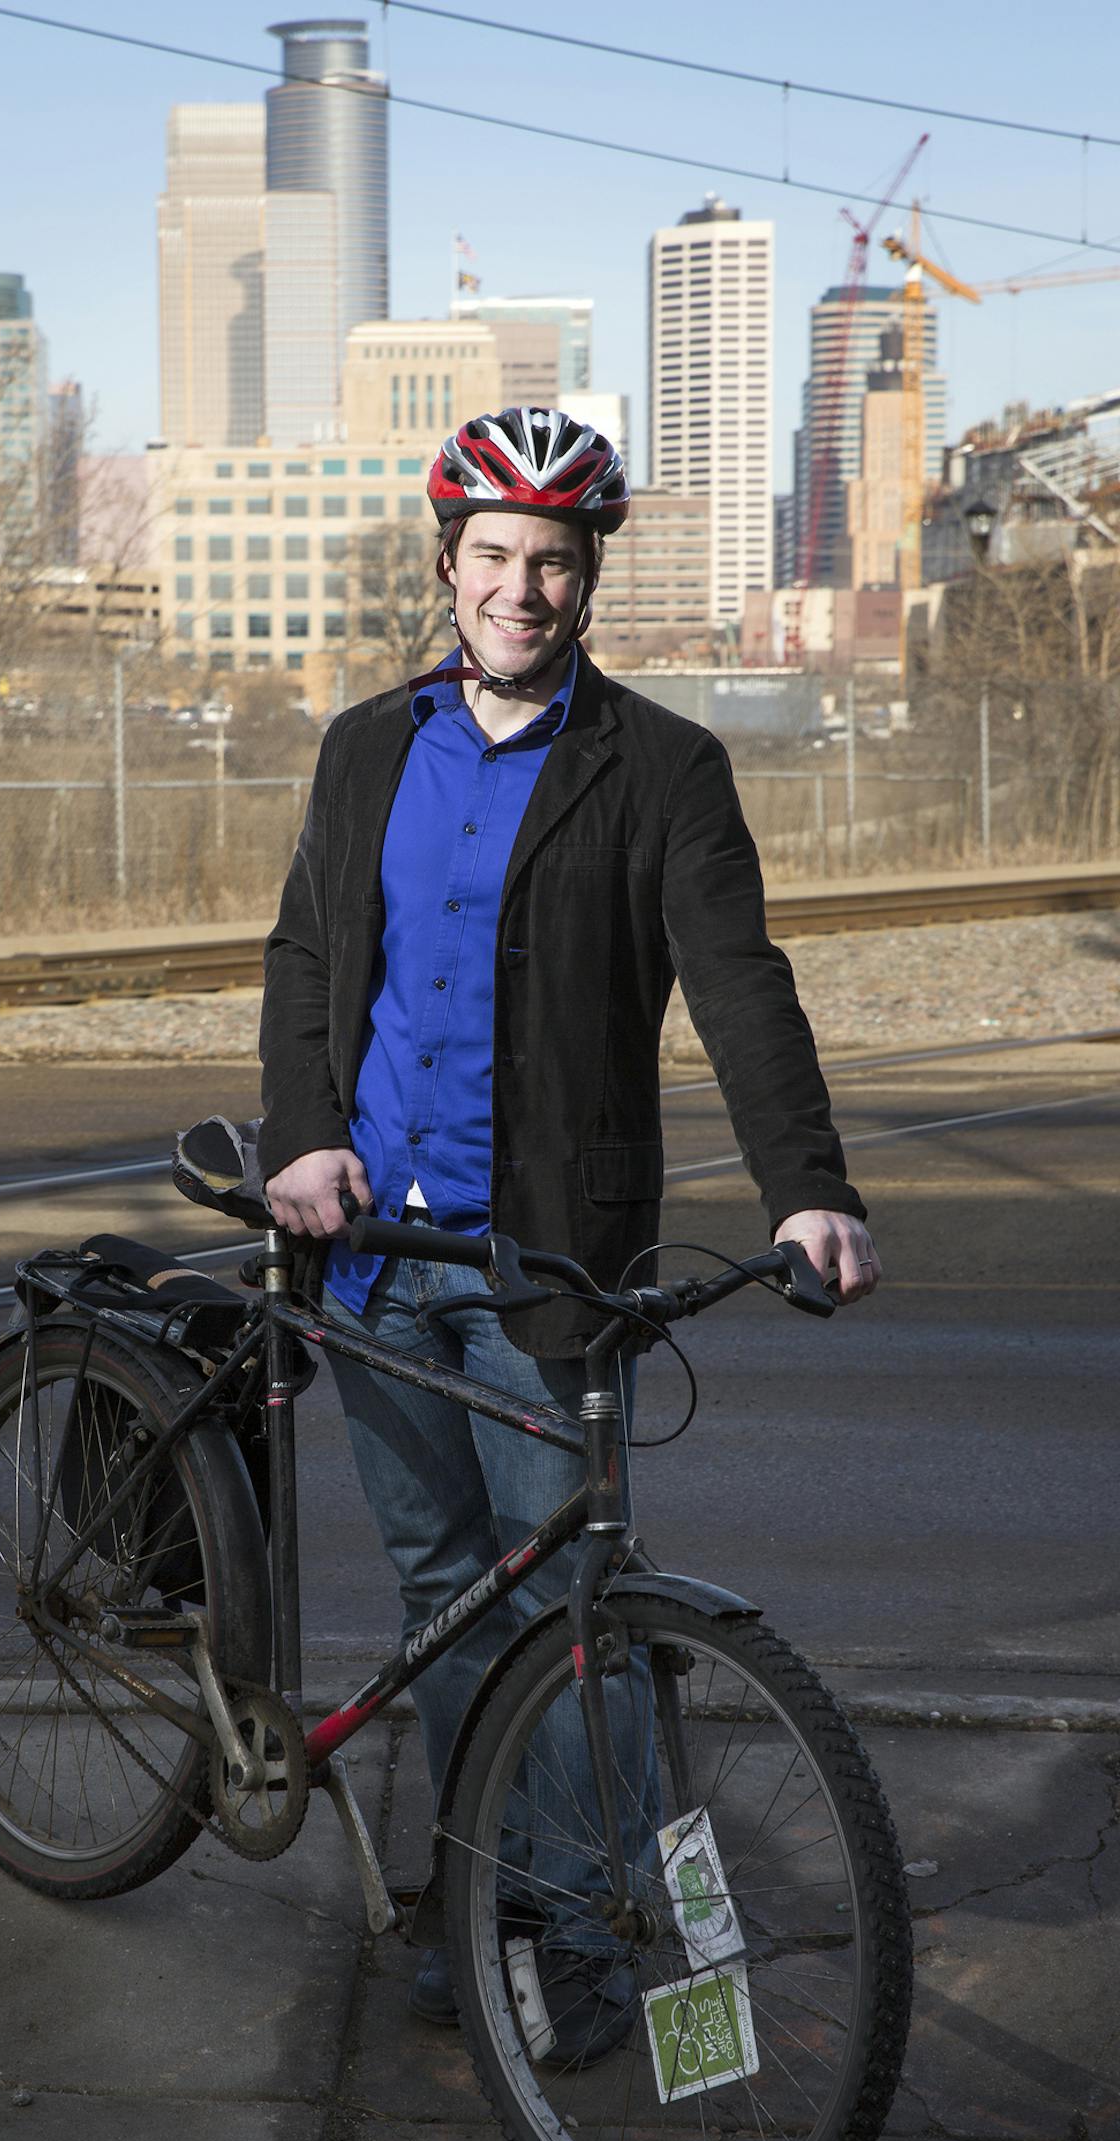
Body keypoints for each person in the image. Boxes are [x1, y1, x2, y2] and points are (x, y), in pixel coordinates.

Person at [257, 405, 879, 2050]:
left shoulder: (663, 765)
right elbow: (309, 964)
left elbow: (742, 987)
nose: (519, 589)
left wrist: (807, 1183)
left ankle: (604, 1946)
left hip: (547, 1268)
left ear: (587, 576)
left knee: (584, 1630)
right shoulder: (364, 746)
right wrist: (304, 1141)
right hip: (381, 1261)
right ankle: (494, 1907)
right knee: (449, 1595)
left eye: (552, 560)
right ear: (447, 563)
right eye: (493, 556)